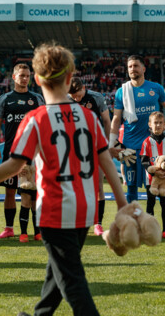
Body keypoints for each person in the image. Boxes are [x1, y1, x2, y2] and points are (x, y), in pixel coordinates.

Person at [0, 42, 127, 316]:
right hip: (85, 210)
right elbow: (106, 162)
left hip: (54, 210)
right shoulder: (88, 117)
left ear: (37, 79)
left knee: (72, 281)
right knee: (59, 272)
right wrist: (122, 204)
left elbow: (13, 166)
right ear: (69, 76)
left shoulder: (36, 118)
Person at [109, 55, 165, 236]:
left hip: (154, 146)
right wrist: (113, 143)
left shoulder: (155, 88)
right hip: (131, 147)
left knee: (162, 183)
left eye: (136, 66)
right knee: (131, 187)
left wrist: (164, 122)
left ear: (143, 68)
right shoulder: (122, 91)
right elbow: (117, 118)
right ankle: (131, 224)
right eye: (130, 66)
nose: (132, 69)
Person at [0, 64, 45, 242]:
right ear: (13, 77)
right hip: (11, 153)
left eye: (27, 76)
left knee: (33, 194)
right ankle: (9, 228)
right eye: (21, 75)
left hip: (32, 155)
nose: (25, 79)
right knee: (10, 191)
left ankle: (36, 231)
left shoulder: (36, 98)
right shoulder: (5, 99)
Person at [69, 76, 111, 236]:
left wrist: (106, 144)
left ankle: (98, 223)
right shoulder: (66, 99)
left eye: (78, 96)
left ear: (83, 88)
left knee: (98, 186)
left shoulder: (96, 97)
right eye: (73, 97)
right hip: (74, 149)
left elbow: (107, 121)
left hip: (95, 147)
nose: (77, 99)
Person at [140, 111, 165, 240]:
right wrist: (154, 171)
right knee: (150, 204)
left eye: (161, 123)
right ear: (150, 124)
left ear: (164, 125)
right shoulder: (147, 142)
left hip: (164, 180)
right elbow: (144, 160)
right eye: (155, 122)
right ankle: (148, 231)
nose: (158, 125)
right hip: (151, 180)